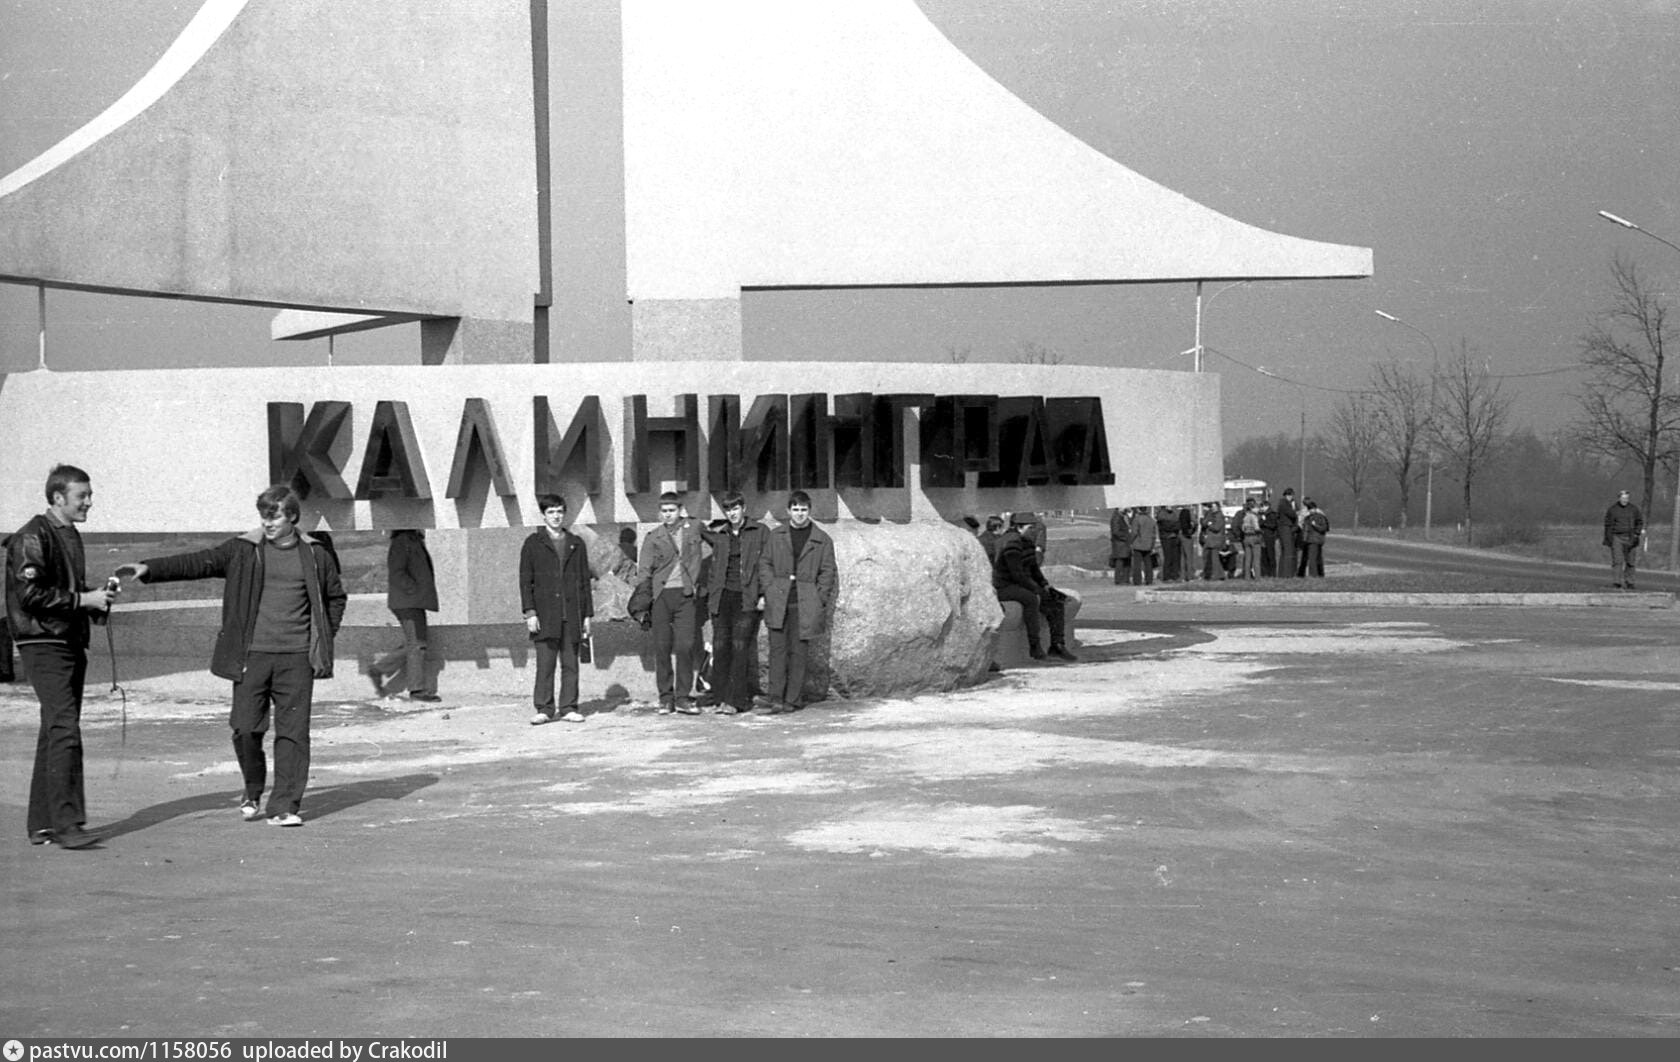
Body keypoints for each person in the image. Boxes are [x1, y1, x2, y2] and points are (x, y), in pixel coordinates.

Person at [118, 484, 345, 828]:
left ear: (293, 518)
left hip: (296, 658)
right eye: (264, 517)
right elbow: (199, 561)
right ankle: (253, 787)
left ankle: (284, 805)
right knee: (245, 729)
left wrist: (323, 638)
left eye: (275, 517)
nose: (268, 524)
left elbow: (336, 598)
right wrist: (149, 568)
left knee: (294, 733)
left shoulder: (315, 555)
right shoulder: (244, 550)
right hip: (251, 656)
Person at [8, 465, 117, 848]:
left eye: (89, 494)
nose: (89, 501)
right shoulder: (32, 536)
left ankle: (43, 823)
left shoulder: (66, 534)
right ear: (58, 498)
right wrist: (82, 599)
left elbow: (62, 589)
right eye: (81, 496)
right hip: (43, 642)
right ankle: (68, 825)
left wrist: (94, 600)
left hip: (65, 640)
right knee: (64, 728)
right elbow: (30, 595)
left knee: (53, 729)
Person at [757, 490, 838, 712]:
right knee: (777, 651)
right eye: (796, 510)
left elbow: (827, 572)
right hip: (779, 601)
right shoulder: (777, 535)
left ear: (809, 511)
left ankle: (792, 700)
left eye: (803, 510)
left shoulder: (821, 540)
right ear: (788, 511)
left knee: (799, 653)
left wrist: (818, 598)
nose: (800, 514)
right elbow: (765, 564)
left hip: (804, 604)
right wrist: (771, 588)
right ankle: (775, 697)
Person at [519, 493, 593, 725]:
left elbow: (584, 581)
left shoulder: (576, 543)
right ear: (543, 516)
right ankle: (544, 708)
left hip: (571, 614)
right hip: (545, 614)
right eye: (551, 512)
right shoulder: (533, 543)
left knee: (571, 664)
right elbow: (525, 581)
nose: (556, 516)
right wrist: (530, 612)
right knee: (546, 664)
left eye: (560, 511)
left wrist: (587, 616)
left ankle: (569, 707)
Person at [699, 491, 768, 715]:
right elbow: (714, 570)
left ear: (743, 508)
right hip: (722, 598)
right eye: (728, 510)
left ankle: (737, 700)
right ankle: (720, 698)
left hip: (746, 597)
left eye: (735, 509)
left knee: (740, 647)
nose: (732, 513)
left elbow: (768, 565)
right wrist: (711, 597)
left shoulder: (760, 532)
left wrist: (763, 595)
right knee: (720, 647)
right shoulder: (722, 535)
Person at [637, 491, 707, 714]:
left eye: (672, 510)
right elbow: (644, 571)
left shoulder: (694, 528)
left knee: (685, 646)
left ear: (680, 510)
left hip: (686, 595)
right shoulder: (653, 537)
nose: (668, 515)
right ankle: (666, 697)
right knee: (662, 647)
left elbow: (714, 539)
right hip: (661, 597)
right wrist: (643, 601)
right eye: (664, 511)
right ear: (660, 512)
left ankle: (683, 697)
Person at [992, 510, 1076, 662]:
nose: (1034, 531)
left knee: (1056, 600)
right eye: (1031, 528)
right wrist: (1036, 589)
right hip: (1005, 585)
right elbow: (1016, 574)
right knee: (1031, 599)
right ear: (1019, 527)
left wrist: (1045, 585)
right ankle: (1035, 647)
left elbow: (1034, 570)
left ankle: (1057, 645)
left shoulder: (1026, 541)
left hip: (1021, 582)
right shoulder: (1011, 542)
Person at [367, 529, 439, 701]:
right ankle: (416, 690)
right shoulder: (403, 541)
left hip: (412, 600)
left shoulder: (411, 540)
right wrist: (414, 590)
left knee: (416, 643)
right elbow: (397, 572)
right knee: (417, 644)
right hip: (408, 601)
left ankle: (379, 669)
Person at [1603, 489, 1644, 589]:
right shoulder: (1612, 510)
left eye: (1626, 498)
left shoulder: (1634, 509)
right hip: (1617, 537)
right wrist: (1609, 539)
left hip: (1631, 538)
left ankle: (1630, 581)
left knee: (1631, 562)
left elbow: (1639, 522)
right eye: (1623, 498)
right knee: (1618, 561)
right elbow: (1608, 525)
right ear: (1619, 498)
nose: (1625, 500)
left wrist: (1636, 534)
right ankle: (1617, 582)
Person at [1128, 505, 1158, 586]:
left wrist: (1129, 541)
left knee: (1137, 564)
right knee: (1148, 563)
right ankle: (1149, 580)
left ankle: (1137, 581)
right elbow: (1154, 534)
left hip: (1138, 544)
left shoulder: (1136, 519)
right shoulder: (1151, 520)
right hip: (1148, 545)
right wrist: (1152, 544)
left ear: (1138, 509)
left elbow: (1134, 532)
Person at [1301, 498, 1330, 577]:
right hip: (1316, 540)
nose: (1310, 511)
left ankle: (1313, 574)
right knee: (1318, 558)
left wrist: (1315, 525)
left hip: (1313, 540)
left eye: (1311, 509)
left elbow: (1323, 528)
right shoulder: (1310, 517)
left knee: (1312, 559)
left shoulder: (1318, 517)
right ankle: (1320, 574)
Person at [1276, 487, 1300, 579]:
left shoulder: (1284, 503)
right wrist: (1294, 508)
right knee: (1288, 550)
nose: (1291, 497)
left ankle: (1283, 573)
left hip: (1285, 528)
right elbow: (1293, 514)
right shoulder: (1284, 504)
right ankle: (1287, 573)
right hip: (1285, 528)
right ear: (1286, 495)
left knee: (1285, 551)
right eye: (1290, 495)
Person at [1198, 505, 1227, 581]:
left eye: (1214, 506)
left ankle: (1217, 575)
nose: (1212, 508)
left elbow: (1216, 527)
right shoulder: (1210, 514)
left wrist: (1209, 524)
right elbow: (1204, 523)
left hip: (1216, 540)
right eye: (1211, 506)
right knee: (1208, 558)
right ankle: (1218, 575)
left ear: (1218, 507)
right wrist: (1203, 520)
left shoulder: (1219, 516)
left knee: (1215, 559)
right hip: (1210, 540)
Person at [0, 533, 14, 682]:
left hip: (4, 609)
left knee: (3, 640)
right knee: (5, 641)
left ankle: (5, 672)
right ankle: (6, 671)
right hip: (8, 609)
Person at [1237, 498, 1261, 579]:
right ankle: (1257, 577)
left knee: (1248, 559)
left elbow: (1242, 528)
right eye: (1256, 508)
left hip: (1246, 538)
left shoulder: (1245, 517)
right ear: (1252, 508)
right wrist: (1260, 532)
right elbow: (1256, 528)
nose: (1258, 509)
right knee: (1256, 559)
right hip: (1254, 537)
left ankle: (1247, 577)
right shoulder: (1254, 517)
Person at [1156, 505, 1182, 582]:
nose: (1170, 506)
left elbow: (1178, 525)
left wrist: (1172, 526)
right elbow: (1165, 526)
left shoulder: (1175, 513)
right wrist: (1173, 526)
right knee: (1168, 557)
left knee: (1175, 557)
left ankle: (1175, 575)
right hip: (1166, 538)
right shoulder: (1161, 514)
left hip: (1174, 537)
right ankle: (1167, 576)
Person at [1108, 507, 1131, 585]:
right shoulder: (1116, 518)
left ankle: (1125, 579)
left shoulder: (1123, 516)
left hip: (1124, 544)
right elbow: (1116, 532)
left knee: (1126, 562)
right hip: (1120, 544)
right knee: (1120, 562)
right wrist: (1127, 537)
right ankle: (1119, 580)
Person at [1258, 499, 1279, 578]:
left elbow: (1273, 525)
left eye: (1262, 507)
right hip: (1264, 537)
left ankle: (1272, 573)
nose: (1261, 509)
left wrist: (1264, 522)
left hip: (1270, 537)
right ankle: (1265, 573)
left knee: (1271, 555)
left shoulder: (1272, 515)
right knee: (1264, 556)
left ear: (1266, 506)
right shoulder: (1263, 515)